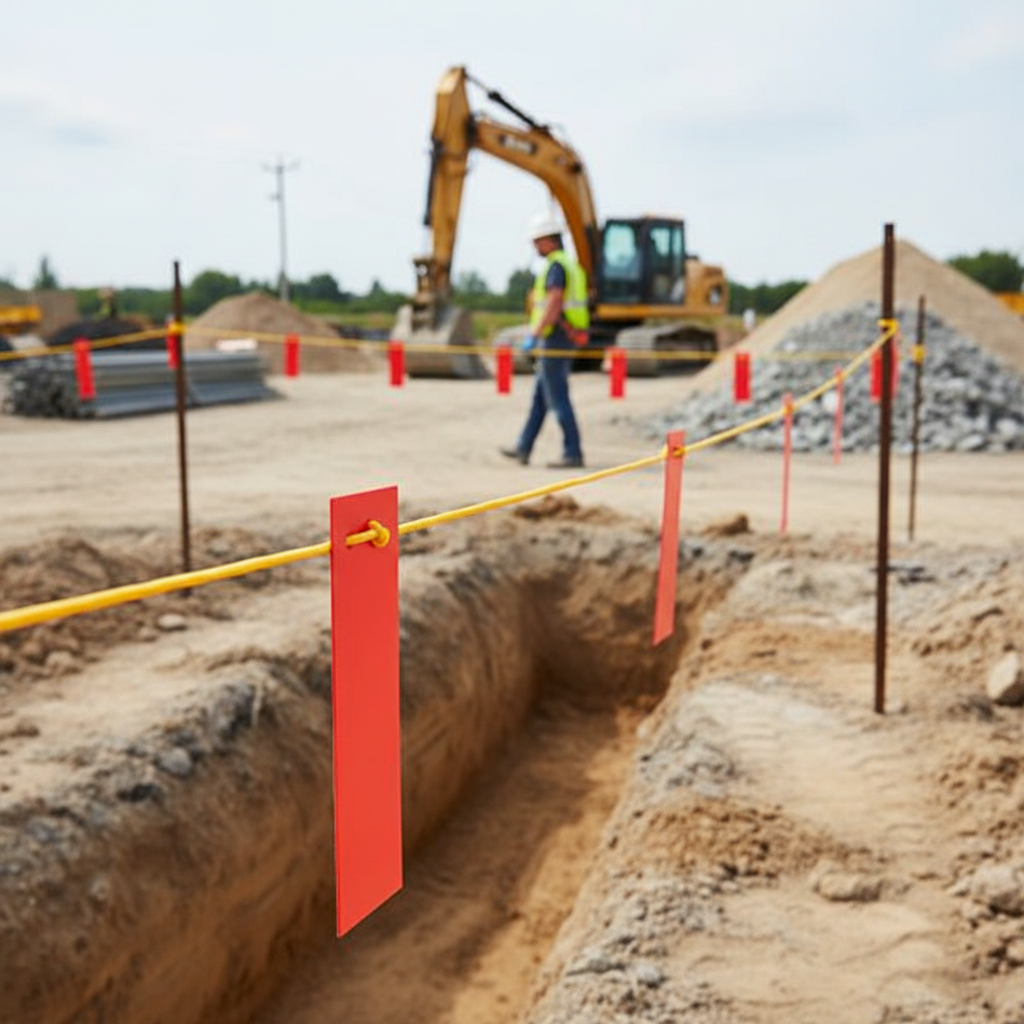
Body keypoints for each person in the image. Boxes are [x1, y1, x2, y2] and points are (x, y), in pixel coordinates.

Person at [501, 214, 589, 469]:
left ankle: (573, 452)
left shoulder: (556, 266)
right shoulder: (569, 264)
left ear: (550, 241)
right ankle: (523, 446)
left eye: (537, 241)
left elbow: (553, 303)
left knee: (558, 397)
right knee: (541, 397)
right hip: (563, 335)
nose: (535, 247)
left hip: (557, 337)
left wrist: (534, 335)